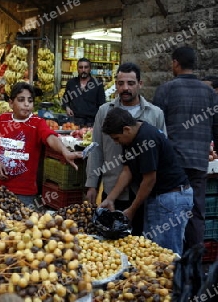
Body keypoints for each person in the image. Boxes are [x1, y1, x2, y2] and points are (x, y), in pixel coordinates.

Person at [85, 62, 166, 236]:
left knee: (140, 242)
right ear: (116, 85)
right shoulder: (104, 112)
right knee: (111, 241)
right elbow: (96, 149)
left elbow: (162, 153)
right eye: (121, 83)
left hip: (142, 192)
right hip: (113, 188)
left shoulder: (155, 114)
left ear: (140, 84)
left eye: (130, 83)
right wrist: (91, 184)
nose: (125, 88)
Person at [100, 107, 193, 254]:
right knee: (153, 252)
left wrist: (132, 209)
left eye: (116, 138)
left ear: (126, 129)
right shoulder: (131, 138)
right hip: (158, 198)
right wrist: (110, 198)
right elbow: (127, 170)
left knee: (166, 255)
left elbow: (149, 180)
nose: (116, 143)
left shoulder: (146, 139)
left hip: (171, 200)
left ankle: (176, 277)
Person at [152, 46, 218, 252]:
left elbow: (156, 130)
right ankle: (194, 264)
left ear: (175, 63)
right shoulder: (209, 92)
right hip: (199, 163)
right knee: (196, 212)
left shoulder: (166, 90)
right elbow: (215, 126)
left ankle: (172, 260)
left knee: (171, 213)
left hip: (173, 164)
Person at [0, 82, 83, 206]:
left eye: (30, 101)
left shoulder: (37, 123)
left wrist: (65, 151)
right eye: (21, 100)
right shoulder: (2, 120)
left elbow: (51, 138)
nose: (26, 104)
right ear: (10, 103)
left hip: (23, 192)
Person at [61, 57, 105, 127]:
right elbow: (65, 99)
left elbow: (102, 104)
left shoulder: (97, 84)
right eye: (81, 67)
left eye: (86, 67)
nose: (83, 70)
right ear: (77, 69)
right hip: (74, 122)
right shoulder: (71, 83)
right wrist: (67, 107)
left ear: (90, 69)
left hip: (91, 122)